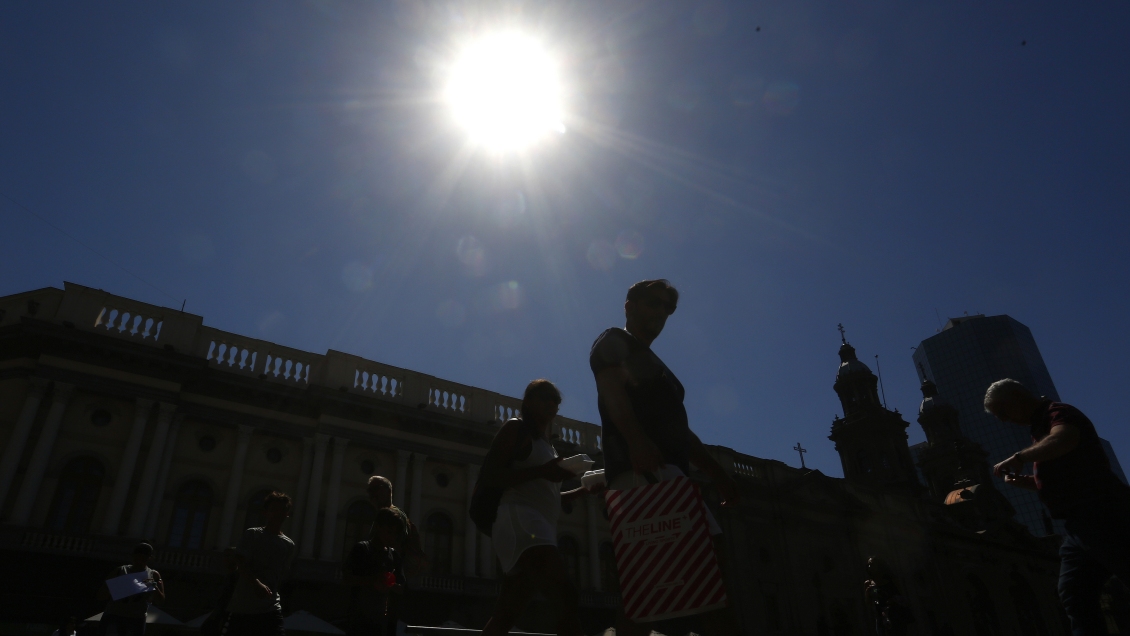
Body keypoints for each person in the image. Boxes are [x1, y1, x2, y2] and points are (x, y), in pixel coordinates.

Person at [590, 279, 741, 636]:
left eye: (667, 309)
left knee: (662, 583)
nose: (660, 313)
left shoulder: (657, 366)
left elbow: (678, 432)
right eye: (653, 304)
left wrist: (716, 471)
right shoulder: (614, 341)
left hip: (671, 476)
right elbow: (613, 394)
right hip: (643, 473)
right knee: (697, 571)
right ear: (629, 305)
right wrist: (636, 441)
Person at [985, 379, 1130, 636]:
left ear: (1017, 396)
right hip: (1077, 524)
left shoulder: (1058, 413)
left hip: (1101, 511)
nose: (1005, 420)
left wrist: (1020, 457)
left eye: (1004, 412)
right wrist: (1026, 482)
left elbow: (1065, 438)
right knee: (1074, 592)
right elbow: (1060, 480)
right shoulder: (1039, 430)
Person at [479, 379, 602, 636]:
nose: (552, 403)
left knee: (506, 615)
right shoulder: (516, 428)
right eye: (545, 397)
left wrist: (582, 490)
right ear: (529, 402)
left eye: (556, 400)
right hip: (521, 520)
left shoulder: (548, 445)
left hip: (534, 523)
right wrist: (543, 471)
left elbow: (546, 496)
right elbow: (491, 475)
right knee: (565, 594)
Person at [225, 491, 296, 636]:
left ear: (287, 514)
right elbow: (241, 564)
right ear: (266, 512)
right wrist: (256, 584)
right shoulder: (253, 534)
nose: (278, 513)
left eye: (282, 510)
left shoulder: (288, 544)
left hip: (271, 607)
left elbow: (280, 575)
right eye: (273, 509)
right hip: (244, 607)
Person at [343, 508, 405, 636]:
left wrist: (390, 584)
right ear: (377, 527)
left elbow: (402, 587)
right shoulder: (362, 549)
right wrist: (373, 580)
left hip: (382, 623)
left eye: (394, 534)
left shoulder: (393, 555)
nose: (391, 537)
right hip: (358, 621)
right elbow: (347, 578)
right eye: (389, 532)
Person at [97, 542, 164, 636]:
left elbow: (160, 601)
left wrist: (153, 585)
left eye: (143, 558)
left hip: (135, 619)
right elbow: (101, 595)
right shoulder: (120, 571)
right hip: (115, 615)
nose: (140, 561)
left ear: (149, 558)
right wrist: (117, 587)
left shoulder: (153, 575)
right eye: (138, 557)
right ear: (133, 556)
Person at [365, 475, 427, 576]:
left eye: (376, 489)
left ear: (389, 491)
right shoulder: (385, 514)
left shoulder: (392, 515)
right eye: (369, 490)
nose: (372, 494)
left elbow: (394, 549)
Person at [862, 556, 912, 636]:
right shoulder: (868, 583)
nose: (869, 567)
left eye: (872, 564)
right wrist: (868, 593)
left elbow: (903, 596)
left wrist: (894, 600)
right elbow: (868, 603)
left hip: (896, 615)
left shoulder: (892, 580)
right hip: (881, 617)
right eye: (868, 565)